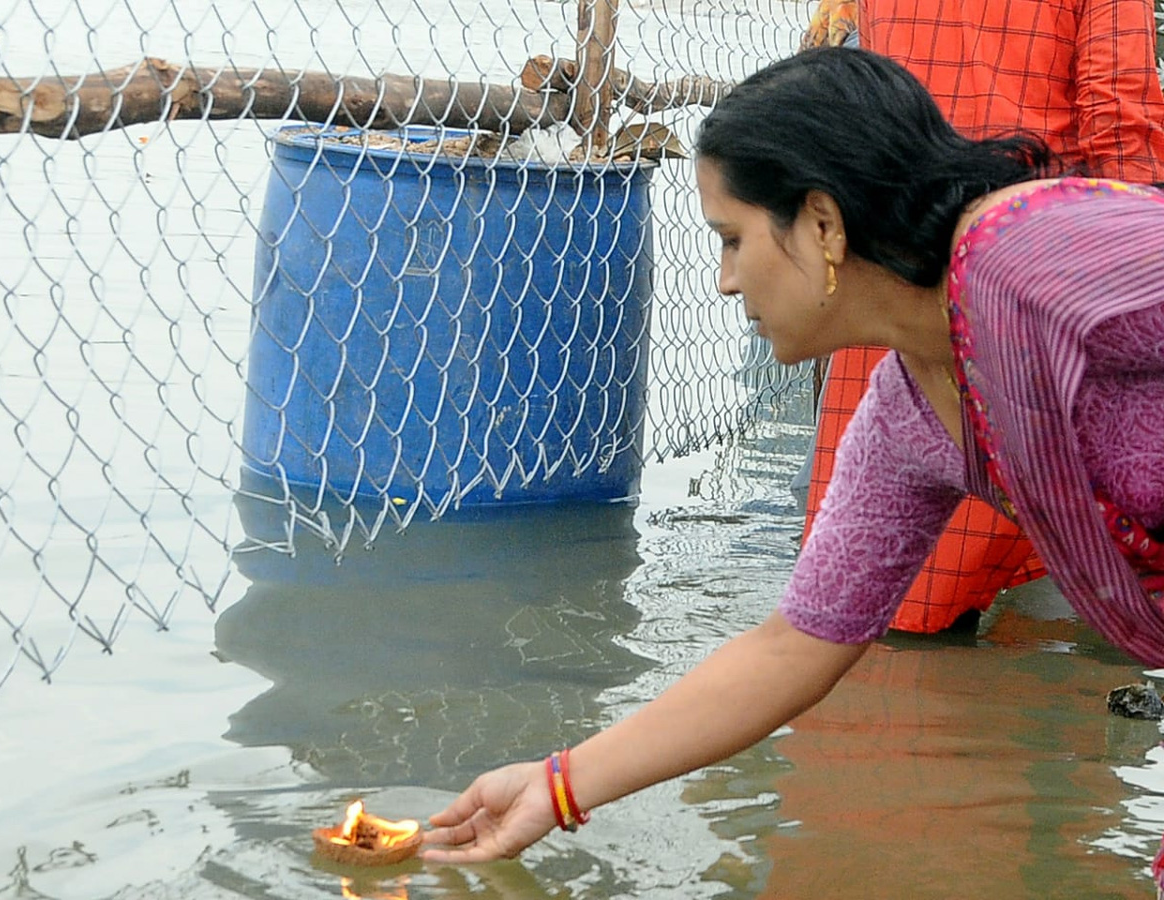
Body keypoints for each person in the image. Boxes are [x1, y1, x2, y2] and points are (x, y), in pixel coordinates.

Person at [420, 49, 1164, 890]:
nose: (727, 281)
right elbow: (795, 645)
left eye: (733, 238)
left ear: (822, 223)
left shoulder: (1033, 255)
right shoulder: (906, 415)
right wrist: (557, 785)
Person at [801, 0, 1164, 634]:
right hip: (1032, 277)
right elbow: (1118, 119)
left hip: (891, 263)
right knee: (1076, 574)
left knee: (871, 596)